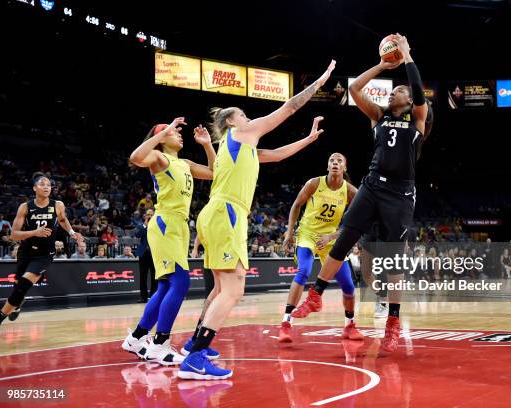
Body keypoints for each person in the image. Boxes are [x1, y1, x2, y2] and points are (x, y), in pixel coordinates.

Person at [178, 59, 336, 381]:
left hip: (215, 213)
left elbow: (276, 154)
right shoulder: (242, 131)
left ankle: (195, 344)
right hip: (227, 213)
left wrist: (308, 140)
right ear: (232, 121)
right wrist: (320, 81)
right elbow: (290, 106)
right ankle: (195, 358)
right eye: (243, 114)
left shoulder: (234, 147)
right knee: (234, 291)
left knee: (220, 288)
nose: (250, 118)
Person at [293, 35, 431, 352]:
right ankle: (315, 296)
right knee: (343, 239)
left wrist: (408, 56)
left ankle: (393, 323)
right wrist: (382, 65)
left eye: (399, 91)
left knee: (395, 261)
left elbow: (419, 91)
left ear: (409, 103)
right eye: (393, 89)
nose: (393, 92)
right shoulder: (378, 118)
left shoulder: (419, 121)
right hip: (372, 185)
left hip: (399, 194)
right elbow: (355, 90)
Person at [121, 118, 216, 366]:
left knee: (165, 286)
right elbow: (135, 157)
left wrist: (207, 145)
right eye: (174, 133)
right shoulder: (158, 158)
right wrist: (162, 132)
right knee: (181, 282)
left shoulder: (184, 163)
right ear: (162, 138)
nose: (179, 135)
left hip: (180, 225)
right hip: (165, 223)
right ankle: (160, 343)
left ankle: (138, 337)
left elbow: (216, 173)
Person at [278, 153, 361, 343]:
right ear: (327, 166)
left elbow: (355, 221)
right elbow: (296, 205)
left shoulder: (350, 192)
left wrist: (332, 236)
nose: (335, 163)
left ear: (344, 168)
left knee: (348, 284)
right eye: (332, 160)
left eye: (339, 161)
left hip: (330, 238)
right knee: (304, 270)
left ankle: (350, 325)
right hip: (308, 234)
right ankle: (285, 323)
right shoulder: (314, 183)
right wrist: (290, 233)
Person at [0, 176, 84, 328]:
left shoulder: (58, 205)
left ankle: (0, 317)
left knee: (23, 284)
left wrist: (72, 232)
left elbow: (63, 220)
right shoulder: (25, 207)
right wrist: (34, 232)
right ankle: (16, 305)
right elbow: (14, 235)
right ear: (34, 188)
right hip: (26, 251)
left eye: (48, 185)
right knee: (18, 286)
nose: (46, 187)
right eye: (42, 184)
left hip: (45, 253)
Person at [135, 208, 156, 303]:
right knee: (142, 276)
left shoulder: (156, 226)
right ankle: (143, 297)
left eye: (151, 214)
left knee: (154, 275)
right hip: (143, 253)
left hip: (154, 253)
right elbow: (137, 235)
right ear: (145, 216)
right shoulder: (141, 225)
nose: (150, 216)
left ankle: (154, 296)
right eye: (148, 214)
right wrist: (145, 225)